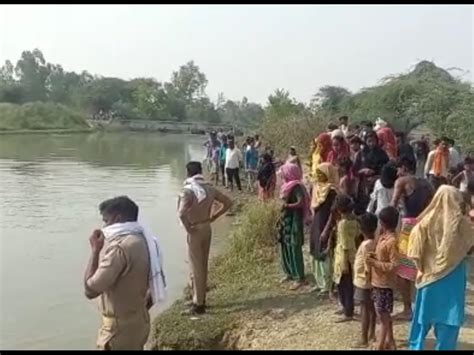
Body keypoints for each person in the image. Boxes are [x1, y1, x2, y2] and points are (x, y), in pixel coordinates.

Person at [84, 196, 166, 350]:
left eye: (106, 220)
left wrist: (95, 250)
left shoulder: (120, 248)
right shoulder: (148, 242)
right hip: (139, 323)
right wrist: (135, 313)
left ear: (117, 218)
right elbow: (157, 286)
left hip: (118, 332)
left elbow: (90, 290)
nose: (104, 226)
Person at [407, 185, 473, 350]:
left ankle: (416, 347)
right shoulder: (461, 223)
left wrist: (423, 266)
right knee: (449, 319)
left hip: (428, 277)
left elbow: (414, 252)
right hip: (453, 275)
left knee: (422, 318)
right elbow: (470, 245)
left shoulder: (424, 222)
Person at [178, 162, 232, 315]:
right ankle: (199, 297)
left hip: (194, 228)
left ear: (188, 173)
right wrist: (214, 216)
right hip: (206, 227)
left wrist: (188, 228)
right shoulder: (209, 188)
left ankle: (198, 304)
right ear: (200, 171)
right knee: (202, 264)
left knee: (196, 267)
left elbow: (181, 214)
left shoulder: (188, 191)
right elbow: (228, 202)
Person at [391, 156, 434, 321]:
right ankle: (425, 307)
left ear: (404, 167)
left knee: (403, 268)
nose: (397, 172)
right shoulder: (427, 183)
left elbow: (393, 205)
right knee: (424, 266)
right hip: (425, 225)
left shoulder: (402, 181)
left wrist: (386, 228)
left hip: (409, 226)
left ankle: (408, 308)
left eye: (398, 168)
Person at [366, 206, 399, 350]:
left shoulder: (392, 241)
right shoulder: (383, 237)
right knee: (384, 315)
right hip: (378, 282)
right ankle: (390, 341)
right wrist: (374, 257)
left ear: (383, 222)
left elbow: (394, 265)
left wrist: (375, 263)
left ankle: (380, 345)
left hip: (385, 284)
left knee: (383, 316)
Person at [278, 163, 312, 291]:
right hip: (287, 219)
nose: (282, 176)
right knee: (285, 245)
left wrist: (287, 206)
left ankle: (299, 277)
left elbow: (300, 202)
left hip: (295, 219)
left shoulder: (297, 186)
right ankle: (289, 272)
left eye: (284, 173)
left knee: (294, 245)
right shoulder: (286, 186)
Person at [309, 162, 339, 296]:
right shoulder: (317, 188)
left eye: (321, 174)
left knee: (324, 252)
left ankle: (327, 285)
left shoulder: (331, 192)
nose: (318, 176)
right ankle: (319, 282)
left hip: (325, 224)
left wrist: (327, 229)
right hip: (316, 222)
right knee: (315, 250)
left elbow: (333, 213)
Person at [332, 194, 359, 322]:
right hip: (353, 256)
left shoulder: (343, 224)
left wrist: (344, 264)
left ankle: (348, 311)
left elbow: (345, 245)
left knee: (344, 285)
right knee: (347, 285)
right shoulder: (355, 220)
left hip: (344, 258)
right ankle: (347, 308)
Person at [353, 212, 377, 348]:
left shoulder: (365, 245)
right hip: (370, 281)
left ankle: (364, 339)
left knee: (365, 309)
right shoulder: (375, 241)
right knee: (371, 308)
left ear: (361, 229)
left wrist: (368, 280)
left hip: (364, 282)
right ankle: (372, 334)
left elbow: (368, 264)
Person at [354, 131, 390, 211]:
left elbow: (386, 169)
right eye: (369, 141)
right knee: (363, 205)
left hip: (378, 183)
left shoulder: (382, 154)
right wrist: (363, 170)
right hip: (363, 184)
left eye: (373, 141)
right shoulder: (361, 154)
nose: (371, 143)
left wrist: (375, 173)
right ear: (365, 142)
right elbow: (355, 170)